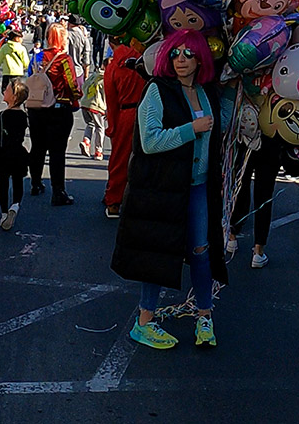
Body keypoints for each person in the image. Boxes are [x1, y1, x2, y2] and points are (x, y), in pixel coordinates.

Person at [111, 29, 226, 349]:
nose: (181, 60)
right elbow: (149, 141)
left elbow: (225, 125)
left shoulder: (206, 92)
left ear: (201, 57)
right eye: (175, 53)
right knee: (159, 250)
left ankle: (205, 316)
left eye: (189, 54)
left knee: (201, 251)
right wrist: (191, 129)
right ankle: (144, 322)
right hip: (165, 186)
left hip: (199, 186)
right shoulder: (157, 90)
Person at [27, 22, 81, 206]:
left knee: (37, 147)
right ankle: (58, 191)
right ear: (62, 38)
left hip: (36, 107)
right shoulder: (63, 59)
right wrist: (76, 97)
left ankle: (35, 183)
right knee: (57, 151)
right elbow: (71, 84)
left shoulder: (36, 56)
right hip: (58, 108)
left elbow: (29, 77)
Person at [102, 38, 146, 218]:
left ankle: (114, 201)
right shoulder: (145, 59)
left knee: (120, 159)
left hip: (125, 114)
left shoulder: (113, 68)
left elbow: (111, 102)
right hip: (148, 109)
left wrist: (112, 127)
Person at [229, 135, 283, 268]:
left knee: (240, 186)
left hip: (244, 136)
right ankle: (259, 249)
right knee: (264, 194)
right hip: (271, 138)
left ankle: (232, 235)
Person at [0, 78, 30, 231]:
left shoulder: (2, 115)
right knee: (18, 181)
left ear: (13, 97)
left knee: (3, 184)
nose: (4, 90)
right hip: (18, 152)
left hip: (3, 153)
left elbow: (0, 137)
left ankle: (4, 213)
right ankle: (16, 205)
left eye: (7, 90)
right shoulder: (24, 116)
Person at [79, 64, 107, 161]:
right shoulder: (106, 78)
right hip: (96, 105)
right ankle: (98, 151)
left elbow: (84, 86)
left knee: (90, 124)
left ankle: (86, 141)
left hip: (85, 103)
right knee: (100, 127)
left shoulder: (94, 75)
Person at [66, 15, 92, 87]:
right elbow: (87, 61)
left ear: (69, 23)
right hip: (79, 72)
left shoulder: (66, 35)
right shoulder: (84, 38)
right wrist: (86, 76)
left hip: (66, 71)